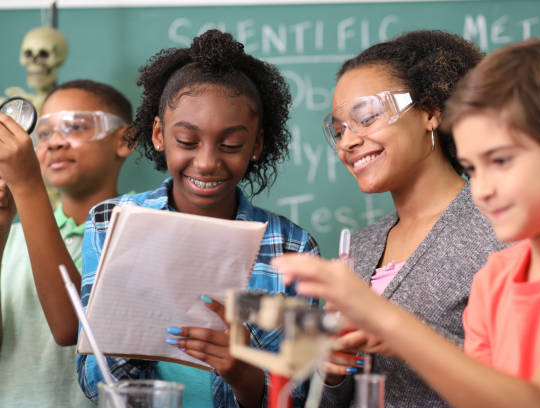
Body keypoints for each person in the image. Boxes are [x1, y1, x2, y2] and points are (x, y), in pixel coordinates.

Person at [273, 37, 540, 407]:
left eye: (500, 161)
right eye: (472, 168)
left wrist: (391, 325)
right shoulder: (496, 276)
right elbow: (483, 393)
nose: (481, 189)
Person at [76, 30, 320, 408]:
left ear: (256, 146)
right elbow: (94, 380)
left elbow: (303, 391)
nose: (206, 162)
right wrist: (135, 327)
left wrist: (244, 373)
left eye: (231, 145)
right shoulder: (111, 221)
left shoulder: (294, 248)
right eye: (188, 142)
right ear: (158, 134)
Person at [299, 30, 504, 407]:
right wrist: (330, 372)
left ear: (430, 112)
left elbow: (524, 384)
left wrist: (404, 337)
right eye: (340, 130)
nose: (347, 142)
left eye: (366, 118)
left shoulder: (499, 230)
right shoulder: (359, 249)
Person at [0, 79, 134, 407]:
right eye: (43, 133)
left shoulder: (140, 228)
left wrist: (27, 184)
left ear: (125, 139)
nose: (54, 143)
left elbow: (72, 330)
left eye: (75, 127)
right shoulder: (14, 239)